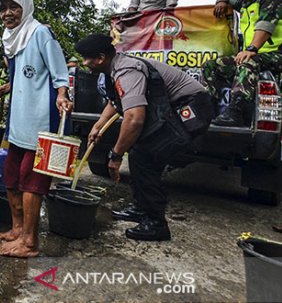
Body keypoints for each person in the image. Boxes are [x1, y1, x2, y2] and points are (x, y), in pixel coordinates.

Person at [76, 33, 215, 241]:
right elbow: (117, 102)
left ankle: (156, 224)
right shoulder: (114, 68)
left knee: (145, 157)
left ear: (100, 58)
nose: (84, 64)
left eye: (87, 58)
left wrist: (115, 156)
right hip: (171, 109)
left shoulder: (127, 70)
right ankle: (141, 208)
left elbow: (134, 119)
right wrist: (98, 125)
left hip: (192, 108)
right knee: (141, 153)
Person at [0, 0, 72, 258]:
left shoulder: (40, 33)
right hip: (19, 118)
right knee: (11, 176)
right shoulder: (11, 38)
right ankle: (17, 229)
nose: (7, 13)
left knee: (31, 180)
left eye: (14, 7)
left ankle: (30, 242)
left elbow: (59, 72)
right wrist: (0, 90)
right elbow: (22, 76)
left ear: (26, 6)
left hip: (40, 117)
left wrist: (62, 95)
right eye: (3, 8)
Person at [202, 0, 282, 127]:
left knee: (248, 61)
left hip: (276, 55)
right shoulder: (246, 3)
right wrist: (221, 1)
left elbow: (265, 25)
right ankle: (206, 110)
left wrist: (252, 49)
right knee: (211, 65)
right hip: (256, 55)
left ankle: (236, 112)